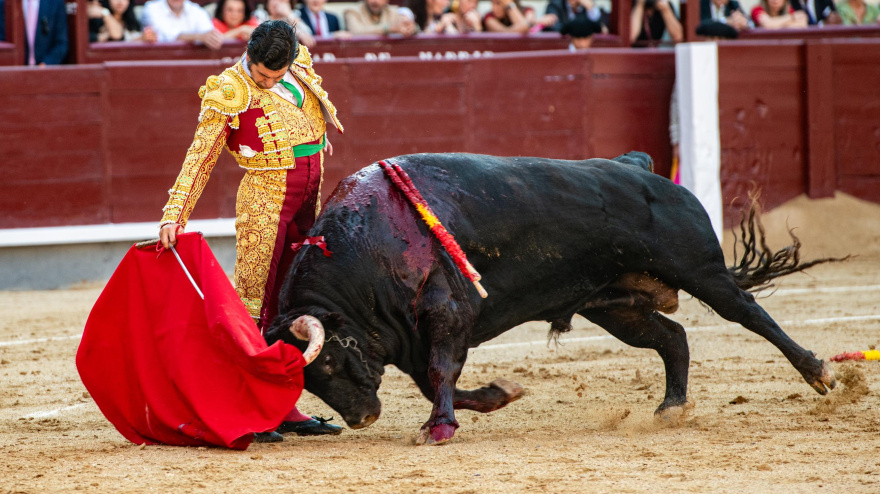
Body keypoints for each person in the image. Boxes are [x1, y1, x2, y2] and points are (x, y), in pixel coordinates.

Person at [158, 20, 345, 441]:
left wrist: (315, 137)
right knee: (254, 300)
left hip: (307, 194)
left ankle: (283, 404)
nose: (267, 81)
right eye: (261, 74)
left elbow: (309, 110)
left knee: (292, 298)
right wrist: (175, 213)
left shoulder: (296, 66)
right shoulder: (230, 89)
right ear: (250, 55)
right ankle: (246, 401)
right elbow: (200, 156)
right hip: (265, 197)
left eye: (275, 75)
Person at [0, 0, 69, 64]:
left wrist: (45, 65)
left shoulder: (55, 3)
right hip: (15, 71)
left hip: (46, 71)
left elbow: (61, 43)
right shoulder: (5, 3)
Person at [142, 0, 224, 49]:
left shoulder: (196, 10)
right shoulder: (152, 8)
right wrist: (199, 37)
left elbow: (210, 34)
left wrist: (208, 37)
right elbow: (166, 36)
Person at [89, 0, 158, 42]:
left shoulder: (132, 22)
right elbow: (117, 35)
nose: (120, 1)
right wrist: (105, 13)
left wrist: (144, 38)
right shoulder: (98, 19)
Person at [344, 0, 417, 35]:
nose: (375, 1)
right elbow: (356, 31)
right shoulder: (352, 11)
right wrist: (388, 29)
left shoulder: (393, 11)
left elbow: (416, 28)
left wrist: (410, 28)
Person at [543, 0, 607, 34]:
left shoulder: (588, 6)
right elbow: (555, 28)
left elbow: (602, 29)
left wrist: (591, 9)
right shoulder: (555, 4)